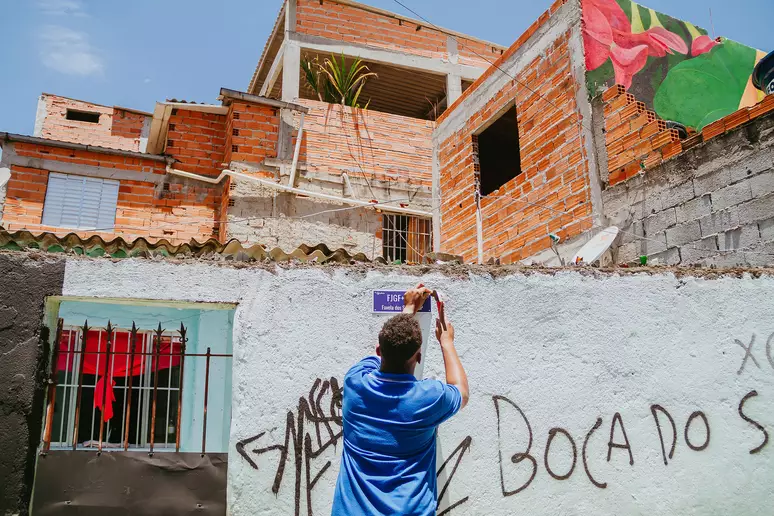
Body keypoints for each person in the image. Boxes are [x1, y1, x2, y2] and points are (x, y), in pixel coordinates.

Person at [332, 284, 470, 515]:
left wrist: (407, 308)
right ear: (418, 357)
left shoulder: (356, 382)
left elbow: (388, 346)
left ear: (378, 350)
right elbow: (461, 392)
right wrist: (446, 342)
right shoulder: (428, 399)